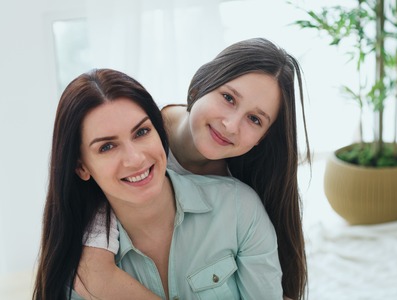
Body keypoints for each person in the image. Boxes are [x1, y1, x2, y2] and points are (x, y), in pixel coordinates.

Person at [78, 37, 311, 300]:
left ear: (263, 138)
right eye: (228, 98)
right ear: (199, 85)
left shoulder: (239, 197)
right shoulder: (140, 142)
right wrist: (95, 261)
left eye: (255, 119)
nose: (231, 125)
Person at [33, 68, 283, 300]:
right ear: (81, 167)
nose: (135, 159)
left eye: (141, 132)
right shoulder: (78, 271)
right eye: (107, 147)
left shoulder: (238, 207)